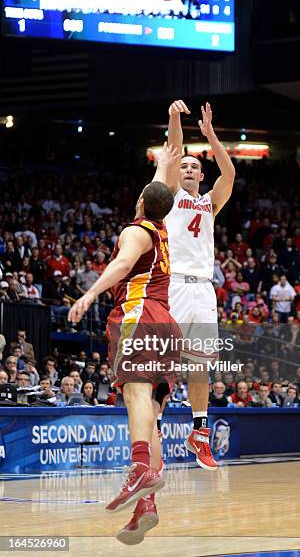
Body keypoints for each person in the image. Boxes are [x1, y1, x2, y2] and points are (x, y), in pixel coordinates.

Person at [68, 167, 182, 544]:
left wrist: (89, 294)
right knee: (150, 415)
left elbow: (120, 264)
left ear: (140, 203)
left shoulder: (136, 231)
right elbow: (161, 187)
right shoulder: (162, 231)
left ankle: (139, 468)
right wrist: (172, 137)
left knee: (134, 395)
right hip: (166, 321)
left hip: (138, 314)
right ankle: (146, 505)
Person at [154, 99, 235, 471]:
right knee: (164, 363)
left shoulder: (210, 203)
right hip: (174, 287)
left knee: (200, 367)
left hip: (203, 290)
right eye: (184, 166)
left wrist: (211, 136)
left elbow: (229, 174)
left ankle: (199, 434)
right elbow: (171, 151)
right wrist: (174, 118)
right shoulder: (169, 198)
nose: (187, 169)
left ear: (201, 175)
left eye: (194, 166)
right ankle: (152, 433)